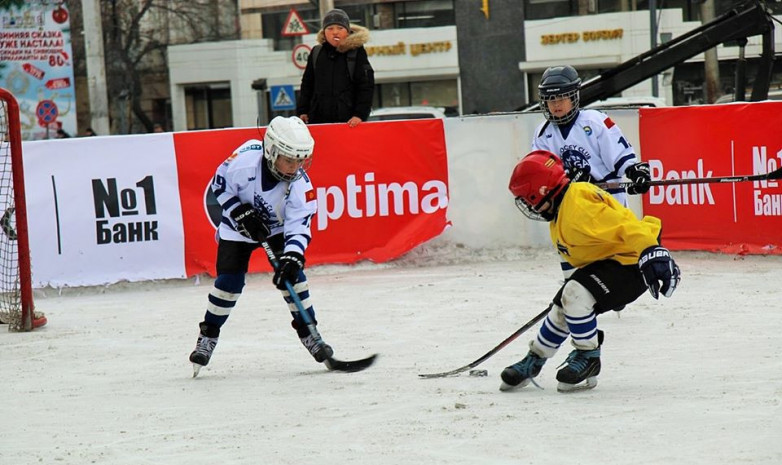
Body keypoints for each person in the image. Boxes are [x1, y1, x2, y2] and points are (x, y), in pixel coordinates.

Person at [500, 150, 680, 393]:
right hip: (611, 263)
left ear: (541, 191)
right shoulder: (563, 210)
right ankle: (536, 358)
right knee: (565, 303)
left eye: (528, 199)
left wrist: (651, 250)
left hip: (632, 266)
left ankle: (589, 358)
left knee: (574, 294)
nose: (529, 206)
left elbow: (626, 227)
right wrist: (570, 299)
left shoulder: (579, 206)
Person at [188, 116, 333, 375]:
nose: (295, 167)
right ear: (271, 151)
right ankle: (208, 335)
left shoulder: (300, 185)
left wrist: (292, 257)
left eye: (300, 160)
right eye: (289, 160)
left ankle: (311, 334)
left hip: (276, 231)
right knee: (228, 285)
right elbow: (219, 186)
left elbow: (299, 226)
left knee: (294, 279)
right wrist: (239, 212)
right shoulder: (243, 161)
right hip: (236, 228)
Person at [531, 65, 652, 280]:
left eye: (561, 98)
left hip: (604, 199)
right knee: (571, 248)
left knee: (612, 250)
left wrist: (635, 172)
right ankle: (574, 288)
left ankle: (616, 287)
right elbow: (541, 172)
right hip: (569, 206)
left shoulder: (595, 122)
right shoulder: (543, 133)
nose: (556, 105)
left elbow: (619, 154)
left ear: (574, 97)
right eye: (551, 100)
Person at [297, 9, 374, 127]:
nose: (335, 32)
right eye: (330, 28)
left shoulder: (356, 53)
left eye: (340, 28)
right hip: (318, 122)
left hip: (348, 123)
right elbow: (307, 83)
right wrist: (303, 110)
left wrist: (360, 114)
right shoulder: (317, 53)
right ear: (324, 32)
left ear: (347, 32)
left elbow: (366, 86)